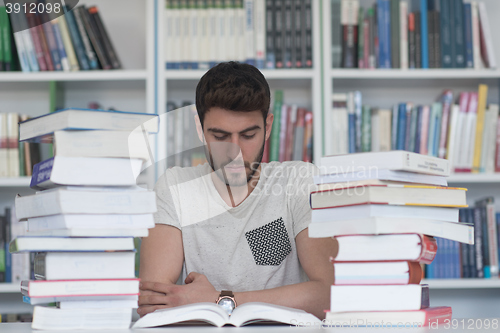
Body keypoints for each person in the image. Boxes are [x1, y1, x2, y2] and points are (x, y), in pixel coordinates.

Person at [138, 62, 337, 320]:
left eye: (248, 135)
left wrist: (219, 300)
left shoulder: (299, 182)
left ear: (268, 127)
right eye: (220, 136)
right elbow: (154, 304)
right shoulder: (174, 188)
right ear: (199, 129)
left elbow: (331, 294)